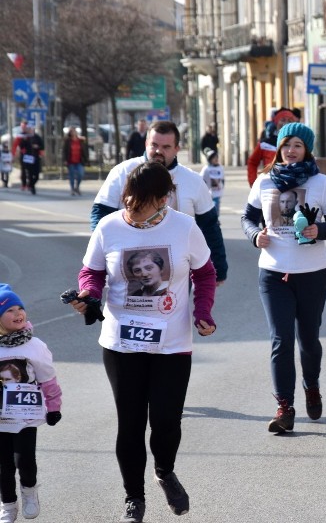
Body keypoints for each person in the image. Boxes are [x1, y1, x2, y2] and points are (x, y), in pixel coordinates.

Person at [71, 161, 217, 523]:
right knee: (131, 423)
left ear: (164, 197)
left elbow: (205, 272)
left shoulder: (184, 227)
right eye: (130, 197)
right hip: (121, 341)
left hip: (172, 342)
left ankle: (165, 472)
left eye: (144, 199)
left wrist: (203, 311)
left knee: (166, 421)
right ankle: (133, 498)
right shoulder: (109, 227)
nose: (134, 205)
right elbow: (92, 271)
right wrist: (88, 295)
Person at [241, 122, 326, 433]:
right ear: (278, 147)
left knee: (309, 340)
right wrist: (253, 235)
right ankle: (284, 407)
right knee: (281, 340)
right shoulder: (264, 182)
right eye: (286, 144)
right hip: (273, 272)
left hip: (312, 274)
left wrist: (320, 230)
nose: (290, 150)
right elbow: (248, 217)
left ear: (307, 149)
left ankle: (311, 384)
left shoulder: (320, 182)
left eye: (298, 145)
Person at [90, 120, 228, 285]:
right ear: (146, 143)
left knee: (175, 309)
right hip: (130, 265)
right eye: (154, 145)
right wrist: (103, 255)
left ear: (177, 148)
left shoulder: (193, 181)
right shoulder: (122, 173)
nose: (158, 151)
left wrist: (219, 268)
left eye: (166, 147)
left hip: (179, 268)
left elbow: (210, 226)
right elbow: (101, 214)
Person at [0, 284, 63, 522]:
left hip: (25, 412)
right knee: (3, 465)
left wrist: (54, 406)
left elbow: (48, 379)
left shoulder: (34, 346)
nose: (18, 314)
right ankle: (7, 504)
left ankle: (29, 492)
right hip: (0, 416)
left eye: (20, 308)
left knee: (24, 459)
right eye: (9, 310)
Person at [247, 108, 298, 187]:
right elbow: (252, 162)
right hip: (269, 186)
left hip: (293, 187)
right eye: (283, 120)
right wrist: (253, 183)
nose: (286, 123)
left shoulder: (299, 143)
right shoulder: (265, 144)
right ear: (276, 122)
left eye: (289, 120)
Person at [63, 126, 89, 196]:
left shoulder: (80, 140)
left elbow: (84, 149)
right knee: (71, 175)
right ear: (70, 133)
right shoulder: (68, 141)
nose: (73, 133)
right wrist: (65, 160)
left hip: (79, 160)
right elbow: (65, 151)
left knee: (81, 174)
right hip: (70, 160)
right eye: (72, 131)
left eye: (74, 131)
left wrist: (86, 160)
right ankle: (72, 189)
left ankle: (77, 187)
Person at [17, 126, 42, 195]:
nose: (30, 131)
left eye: (31, 130)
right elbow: (21, 146)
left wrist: (38, 147)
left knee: (36, 175)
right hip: (28, 157)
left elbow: (42, 145)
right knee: (30, 173)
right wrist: (24, 141)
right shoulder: (25, 137)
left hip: (36, 157)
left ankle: (31, 184)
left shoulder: (37, 137)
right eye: (29, 130)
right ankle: (32, 187)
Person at [199, 147, 224, 216]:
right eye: (214, 158)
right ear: (210, 159)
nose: (216, 159)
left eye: (217, 157)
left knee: (216, 206)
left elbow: (222, 179)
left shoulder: (220, 168)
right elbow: (200, 179)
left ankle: (216, 219)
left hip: (217, 192)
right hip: (209, 192)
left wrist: (222, 187)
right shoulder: (206, 169)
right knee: (209, 208)